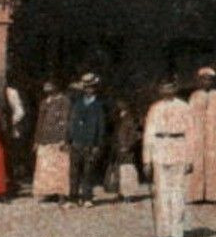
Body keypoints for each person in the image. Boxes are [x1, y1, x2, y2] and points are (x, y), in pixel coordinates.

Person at [143, 78, 193, 237]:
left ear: (175, 88)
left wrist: (190, 158)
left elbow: (191, 134)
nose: (167, 91)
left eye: (170, 87)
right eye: (163, 88)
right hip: (159, 150)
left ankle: (177, 233)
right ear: (159, 89)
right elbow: (148, 134)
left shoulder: (184, 107)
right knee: (161, 193)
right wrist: (147, 160)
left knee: (177, 192)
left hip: (178, 147)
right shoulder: (154, 108)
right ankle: (163, 233)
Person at [187, 67, 216, 204]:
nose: (206, 82)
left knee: (215, 163)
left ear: (213, 81)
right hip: (198, 134)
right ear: (200, 81)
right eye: (204, 79)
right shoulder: (194, 96)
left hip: (214, 134)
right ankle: (197, 195)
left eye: (209, 79)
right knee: (198, 163)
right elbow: (189, 117)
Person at [67, 73, 108, 206]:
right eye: (86, 88)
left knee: (88, 172)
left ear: (95, 88)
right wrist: (69, 140)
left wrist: (98, 144)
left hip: (91, 142)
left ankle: (87, 197)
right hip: (77, 141)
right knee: (74, 172)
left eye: (91, 88)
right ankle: (73, 197)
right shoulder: (77, 104)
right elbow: (72, 122)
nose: (88, 90)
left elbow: (101, 126)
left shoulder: (99, 105)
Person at [32, 80, 72, 203]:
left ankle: (61, 194)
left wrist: (64, 139)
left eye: (50, 85)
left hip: (58, 138)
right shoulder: (44, 102)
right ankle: (49, 192)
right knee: (46, 167)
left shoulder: (64, 101)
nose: (47, 87)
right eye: (46, 85)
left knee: (60, 166)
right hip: (45, 138)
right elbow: (40, 122)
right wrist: (37, 140)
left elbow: (66, 121)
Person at [110, 99, 142, 202]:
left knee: (128, 170)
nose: (119, 104)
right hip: (118, 147)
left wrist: (128, 146)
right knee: (119, 170)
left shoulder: (130, 117)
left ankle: (129, 194)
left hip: (127, 148)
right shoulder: (118, 116)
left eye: (122, 103)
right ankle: (121, 192)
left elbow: (135, 134)